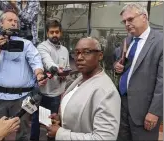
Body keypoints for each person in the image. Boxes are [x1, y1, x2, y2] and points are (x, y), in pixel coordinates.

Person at [0, 10, 46, 141]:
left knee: (24, 133)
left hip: (23, 98)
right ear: (1, 23)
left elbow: (35, 61)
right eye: (10, 20)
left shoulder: (26, 44)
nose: (13, 23)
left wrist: (39, 74)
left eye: (16, 21)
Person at [46, 37, 121, 140]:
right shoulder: (81, 78)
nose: (79, 57)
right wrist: (61, 119)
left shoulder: (106, 92)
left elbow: (104, 138)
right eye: (76, 53)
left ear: (100, 55)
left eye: (86, 52)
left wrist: (60, 133)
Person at [114, 3, 163, 140]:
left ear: (144, 17)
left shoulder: (160, 42)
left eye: (130, 19)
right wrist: (118, 66)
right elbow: (121, 63)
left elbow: (162, 82)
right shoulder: (128, 40)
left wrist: (154, 112)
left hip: (144, 110)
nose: (127, 24)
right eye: (124, 21)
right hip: (122, 105)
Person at [30, 20, 70, 141]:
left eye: (57, 32)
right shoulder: (42, 47)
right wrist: (57, 69)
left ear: (60, 33)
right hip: (40, 93)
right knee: (35, 122)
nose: (54, 35)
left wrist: (64, 75)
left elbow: (67, 68)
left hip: (56, 95)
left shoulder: (65, 50)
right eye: (51, 32)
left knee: (52, 124)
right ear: (47, 33)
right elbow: (48, 62)